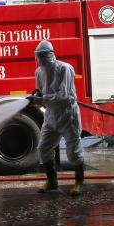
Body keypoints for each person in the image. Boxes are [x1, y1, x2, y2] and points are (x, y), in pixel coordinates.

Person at [28, 40, 84, 195]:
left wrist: (41, 99)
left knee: (74, 149)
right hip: (51, 115)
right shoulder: (39, 72)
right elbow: (41, 92)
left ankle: (79, 183)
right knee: (43, 148)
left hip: (68, 114)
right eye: (38, 56)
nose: (40, 59)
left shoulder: (64, 69)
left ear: (51, 54)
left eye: (42, 55)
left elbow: (63, 94)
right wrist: (36, 99)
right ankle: (52, 182)